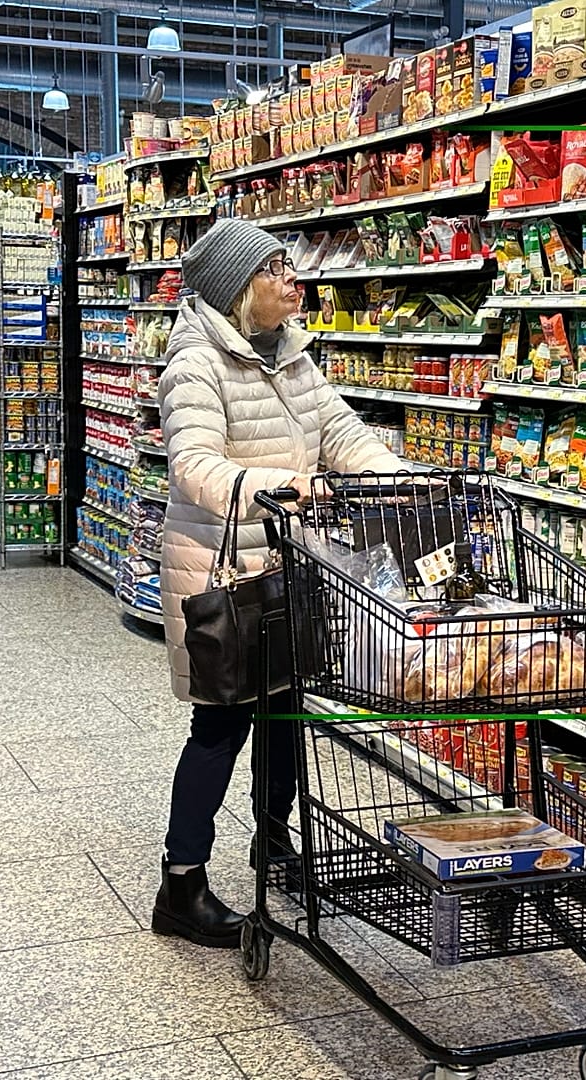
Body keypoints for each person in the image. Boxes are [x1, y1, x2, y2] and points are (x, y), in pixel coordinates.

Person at [150, 219, 406, 948]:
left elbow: (344, 433)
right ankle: (181, 883)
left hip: (291, 566)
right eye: (275, 271)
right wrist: (280, 486)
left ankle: (273, 845)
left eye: (291, 267)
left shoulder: (293, 359)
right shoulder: (196, 365)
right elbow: (193, 467)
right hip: (223, 571)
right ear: (236, 289)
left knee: (286, 717)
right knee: (220, 725)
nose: (293, 281)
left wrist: (404, 479)